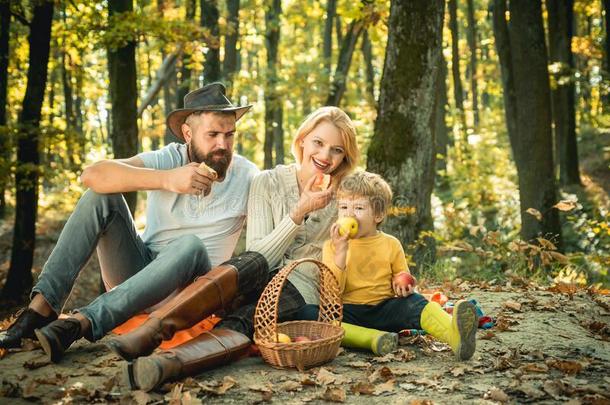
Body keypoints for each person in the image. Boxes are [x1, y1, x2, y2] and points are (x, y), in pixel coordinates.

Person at [0, 83, 261, 363]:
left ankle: (83, 322)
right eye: (212, 134)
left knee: (190, 246)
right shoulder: (167, 158)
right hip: (138, 274)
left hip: (193, 292)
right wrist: (167, 179)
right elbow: (92, 174)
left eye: (229, 135)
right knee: (99, 198)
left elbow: (283, 190)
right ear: (188, 134)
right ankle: (41, 309)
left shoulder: (247, 176)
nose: (223, 145)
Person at [110, 106, 365, 392]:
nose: (325, 156)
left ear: (345, 157)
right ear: (303, 140)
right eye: (319, 143)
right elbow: (261, 256)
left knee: (246, 318)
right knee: (250, 262)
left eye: (337, 150)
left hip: (300, 285)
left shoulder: (347, 199)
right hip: (258, 269)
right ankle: (151, 331)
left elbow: (347, 262)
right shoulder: (267, 181)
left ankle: (166, 364)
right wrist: (298, 213)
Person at [303, 171, 479, 360]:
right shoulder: (331, 246)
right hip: (349, 314)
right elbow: (331, 294)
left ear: (378, 215)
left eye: (359, 208)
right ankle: (373, 339)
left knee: (417, 302)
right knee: (310, 313)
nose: (349, 214)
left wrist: (404, 285)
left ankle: (454, 335)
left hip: (385, 309)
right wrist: (341, 253)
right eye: (344, 207)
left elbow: (403, 276)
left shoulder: (391, 244)